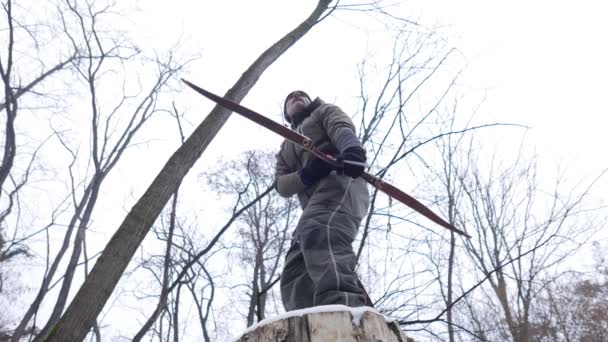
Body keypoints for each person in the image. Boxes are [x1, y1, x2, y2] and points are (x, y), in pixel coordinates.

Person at [275, 90, 371, 311]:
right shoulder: (285, 147)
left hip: (341, 184)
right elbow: (281, 184)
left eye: (301, 95)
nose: (296, 96)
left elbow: (340, 127)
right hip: (313, 207)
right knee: (295, 265)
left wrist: (351, 149)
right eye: (289, 98)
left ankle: (344, 309)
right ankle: (305, 321)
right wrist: (307, 174)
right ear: (286, 115)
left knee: (319, 230)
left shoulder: (323, 111)